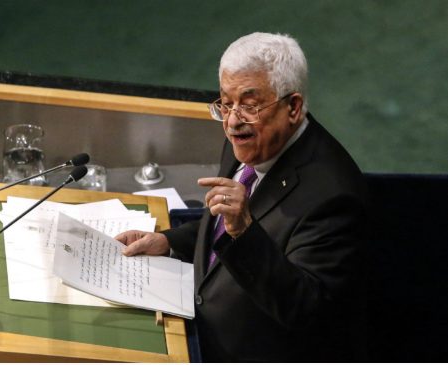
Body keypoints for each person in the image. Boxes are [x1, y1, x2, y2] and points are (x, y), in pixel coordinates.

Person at [115, 32, 369, 362]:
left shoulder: (333, 197)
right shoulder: (251, 137)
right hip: (193, 330)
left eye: (249, 105)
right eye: (226, 102)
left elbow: (305, 309)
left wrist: (245, 230)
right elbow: (223, 224)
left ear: (292, 107)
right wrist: (169, 241)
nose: (233, 120)